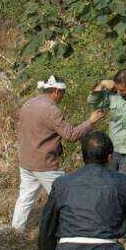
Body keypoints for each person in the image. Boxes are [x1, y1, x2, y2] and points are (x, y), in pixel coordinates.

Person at [12, 76, 105, 233]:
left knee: (25, 199)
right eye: (63, 93)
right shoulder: (51, 110)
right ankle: (79, 229)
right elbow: (71, 135)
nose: (62, 97)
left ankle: (15, 232)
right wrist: (91, 121)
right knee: (68, 195)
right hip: (44, 164)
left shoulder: (29, 103)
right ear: (57, 91)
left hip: (26, 161)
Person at [88, 70, 126, 185]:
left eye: (122, 90)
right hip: (114, 149)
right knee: (109, 183)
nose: (119, 92)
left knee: (124, 185)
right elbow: (93, 101)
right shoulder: (114, 95)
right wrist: (102, 84)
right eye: (117, 89)